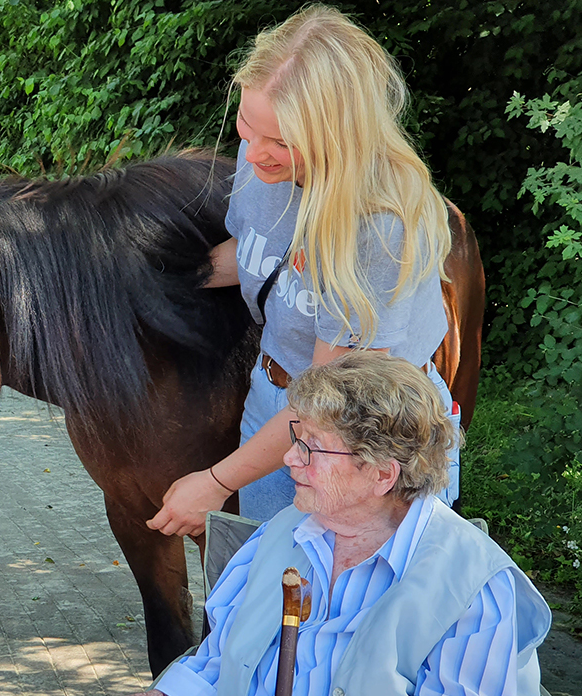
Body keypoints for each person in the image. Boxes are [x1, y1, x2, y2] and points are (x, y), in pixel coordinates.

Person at [42, 353, 550, 696]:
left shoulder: (476, 587)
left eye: (311, 447)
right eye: (295, 436)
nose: (289, 458)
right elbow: (217, 673)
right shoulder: (282, 535)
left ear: (379, 474)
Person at [148, 5, 460, 538]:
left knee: (356, 610)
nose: (254, 153)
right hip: (276, 402)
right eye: (247, 126)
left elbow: (332, 396)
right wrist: (163, 279)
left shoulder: (381, 224)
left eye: (280, 141)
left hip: (367, 442)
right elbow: (254, 254)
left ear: (340, 134)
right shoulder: (259, 160)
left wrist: (216, 482)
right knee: (277, 599)